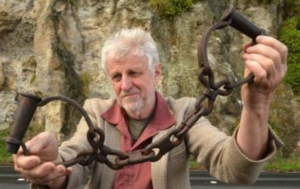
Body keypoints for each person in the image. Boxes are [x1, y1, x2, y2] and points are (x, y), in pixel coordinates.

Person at [13, 28, 287, 189]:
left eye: (134, 73)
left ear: (157, 74)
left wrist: (257, 103)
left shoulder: (185, 113)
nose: (126, 85)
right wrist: (52, 165)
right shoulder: (96, 113)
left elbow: (235, 169)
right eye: (117, 77)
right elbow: (75, 161)